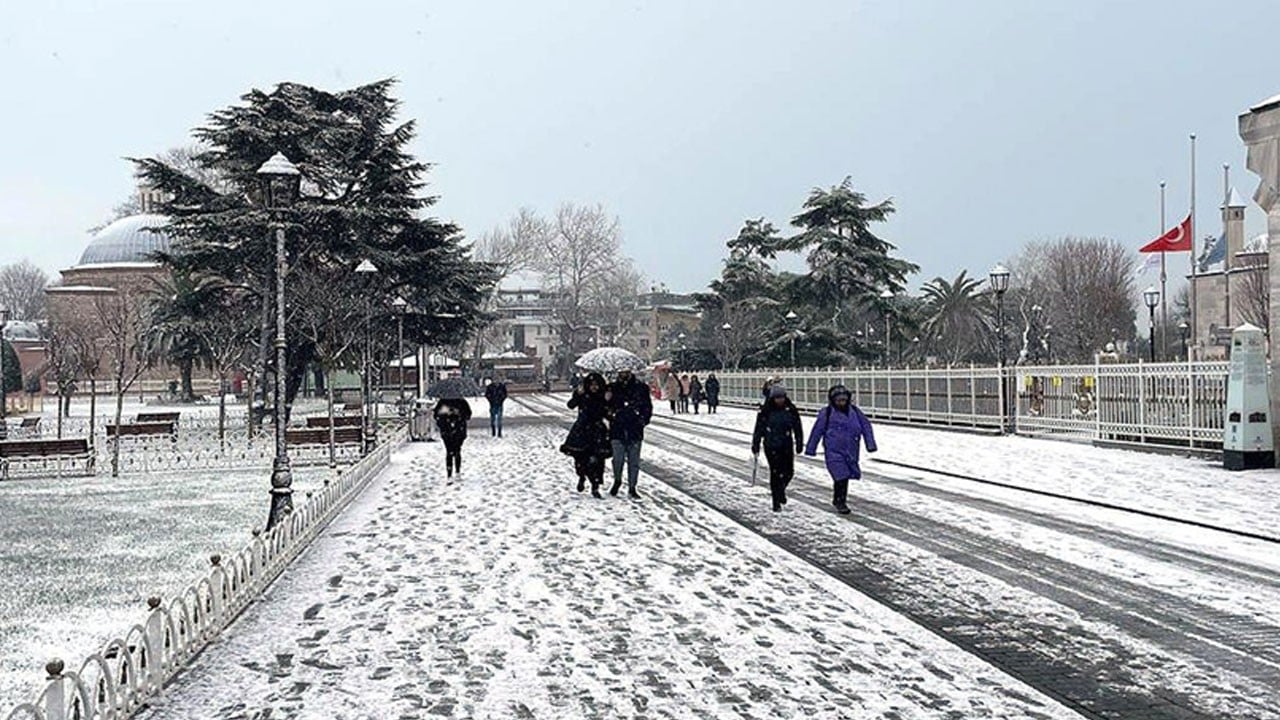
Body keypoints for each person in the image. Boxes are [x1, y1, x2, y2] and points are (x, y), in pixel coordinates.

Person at [804, 384, 876, 515]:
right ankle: (840, 501)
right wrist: (811, 448)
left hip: (851, 450)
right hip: (833, 450)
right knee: (840, 475)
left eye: (844, 400)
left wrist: (870, 444)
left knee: (846, 475)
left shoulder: (855, 411)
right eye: (839, 400)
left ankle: (839, 498)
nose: (841, 403)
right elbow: (817, 431)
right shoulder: (827, 413)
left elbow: (866, 427)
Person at [752, 385, 805, 512]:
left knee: (789, 472)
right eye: (777, 398)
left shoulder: (790, 409)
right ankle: (776, 500)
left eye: (781, 397)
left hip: (786, 443)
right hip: (771, 445)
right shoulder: (766, 411)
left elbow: (797, 426)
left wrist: (799, 442)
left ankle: (780, 490)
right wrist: (756, 444)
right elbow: (758, 429)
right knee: (775, 472)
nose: (779, 400)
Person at [562, 372, 612, 498]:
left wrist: (608, 403)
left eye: (597, 385)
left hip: (597, 431)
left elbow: (607, 414)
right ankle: (582, 476)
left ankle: (595, 486)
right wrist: (578, 395)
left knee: (598, 460)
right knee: (580, 457)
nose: (594, 387)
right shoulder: (582, 394)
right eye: (592, 385)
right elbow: (570, 405)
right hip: (582, 430)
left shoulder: (603, 396)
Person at [608, 367, 653, 499]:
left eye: (626, 371)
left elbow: (647, 406)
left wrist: (643, 420)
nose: (624, 374)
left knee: (634, 461)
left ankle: (632, 487)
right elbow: (605, 406)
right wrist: (611, 412)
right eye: (622, 372)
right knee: (618, 459)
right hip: (617, 428)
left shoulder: (641, 388)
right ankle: (617, 481)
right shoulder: (612, 388)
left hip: (635, 428)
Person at [433, 396, 473, 480]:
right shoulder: (462, 401)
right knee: (457, 450)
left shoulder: (442, 402)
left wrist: (444, 417)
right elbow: (468, 415)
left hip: (447, 430)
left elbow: (436, 415)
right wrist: (459, 416)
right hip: (458, 429)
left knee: (449, 452)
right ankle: (457, 472)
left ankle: (449, 474)